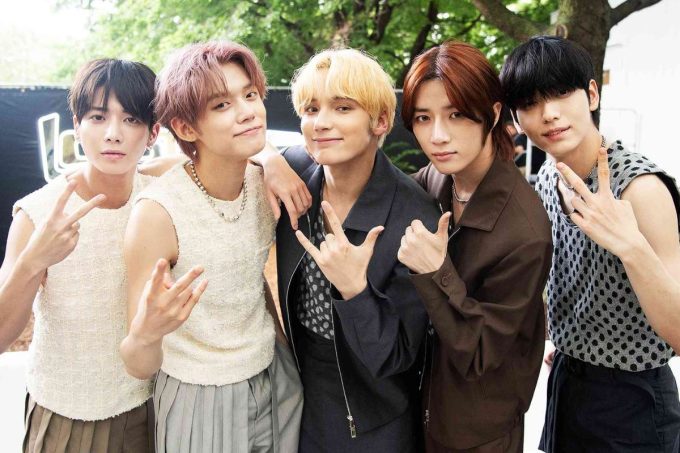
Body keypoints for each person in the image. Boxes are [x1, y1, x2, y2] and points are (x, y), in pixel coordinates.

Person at [119, 41, 303, 452]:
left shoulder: (263, 181)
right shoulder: (157, 214)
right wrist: (147, 334)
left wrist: (272, 158)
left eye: (250, 95)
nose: (247, 111)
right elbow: (136, 362)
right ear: (186, 129)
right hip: (199, 396)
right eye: (221, 105)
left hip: (275, 377)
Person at [500, 35, 680, 452]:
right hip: (569, 379)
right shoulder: (549, 176)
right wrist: (572, 341)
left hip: (634, 399)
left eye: (562, 93)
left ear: (592, 94)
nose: (549, 113)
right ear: (516, 119)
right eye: (530, 103)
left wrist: (630, 245)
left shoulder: (639, 188)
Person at [257, 48, 440, 452]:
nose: (321, 123)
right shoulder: (295, 173)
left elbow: (398, 358)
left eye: (342, 108)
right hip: (299, 395)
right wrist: (267, 157)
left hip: (375, 414)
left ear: (380, 121)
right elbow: (229, 148)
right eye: (311, 109)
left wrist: (355, 291)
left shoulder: (414, 215)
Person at [397, 41, 553, 452]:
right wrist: (272, 162)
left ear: (493, 113)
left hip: (479, 433)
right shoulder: (435, 179)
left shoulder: (525, 229)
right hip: (418, 412)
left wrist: (437, 272)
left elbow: (481, 350)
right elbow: (378, 188)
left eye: (457, 115)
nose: (438, 135)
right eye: (423, 118)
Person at [0, 59, 159, 452]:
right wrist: (33, 261)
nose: (113, 134)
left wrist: (273, 160)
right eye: (98, 117)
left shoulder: (159, 198)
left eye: (131, 119)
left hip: (148, 409)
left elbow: (220, 160)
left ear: (153, 132)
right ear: (76, 124)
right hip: (65, 415)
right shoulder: (38, 213)